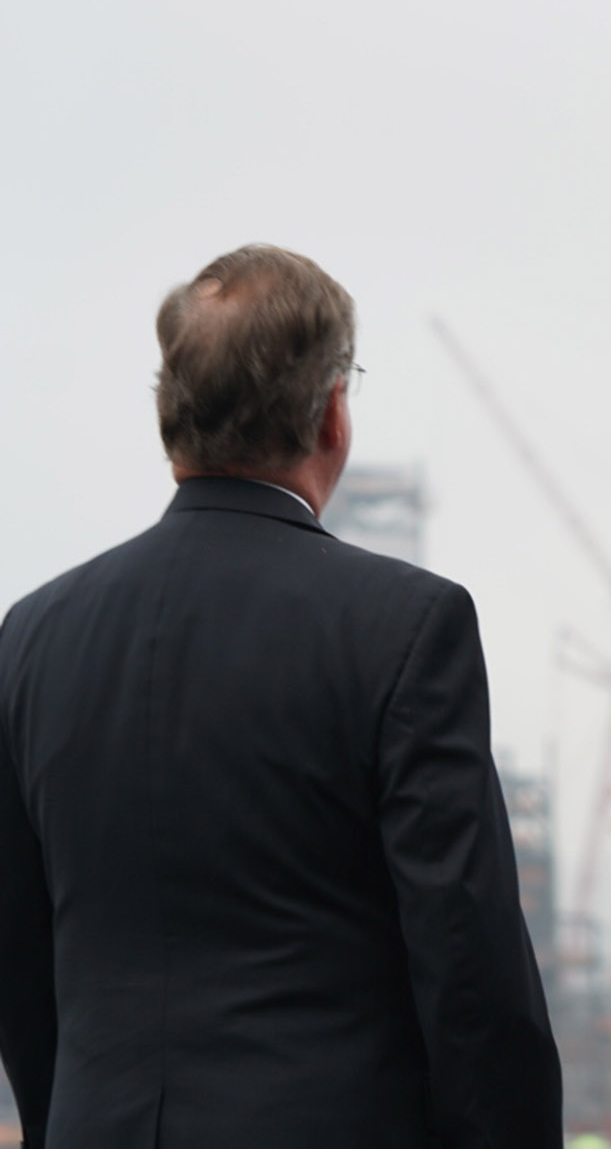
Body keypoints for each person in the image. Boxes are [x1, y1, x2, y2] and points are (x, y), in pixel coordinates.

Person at [0, 246, 561, 1148]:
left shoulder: (31, 638)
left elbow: (20, 972)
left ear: (168, 420)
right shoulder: (407, 627)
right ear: (333, 414)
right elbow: (472, 980)